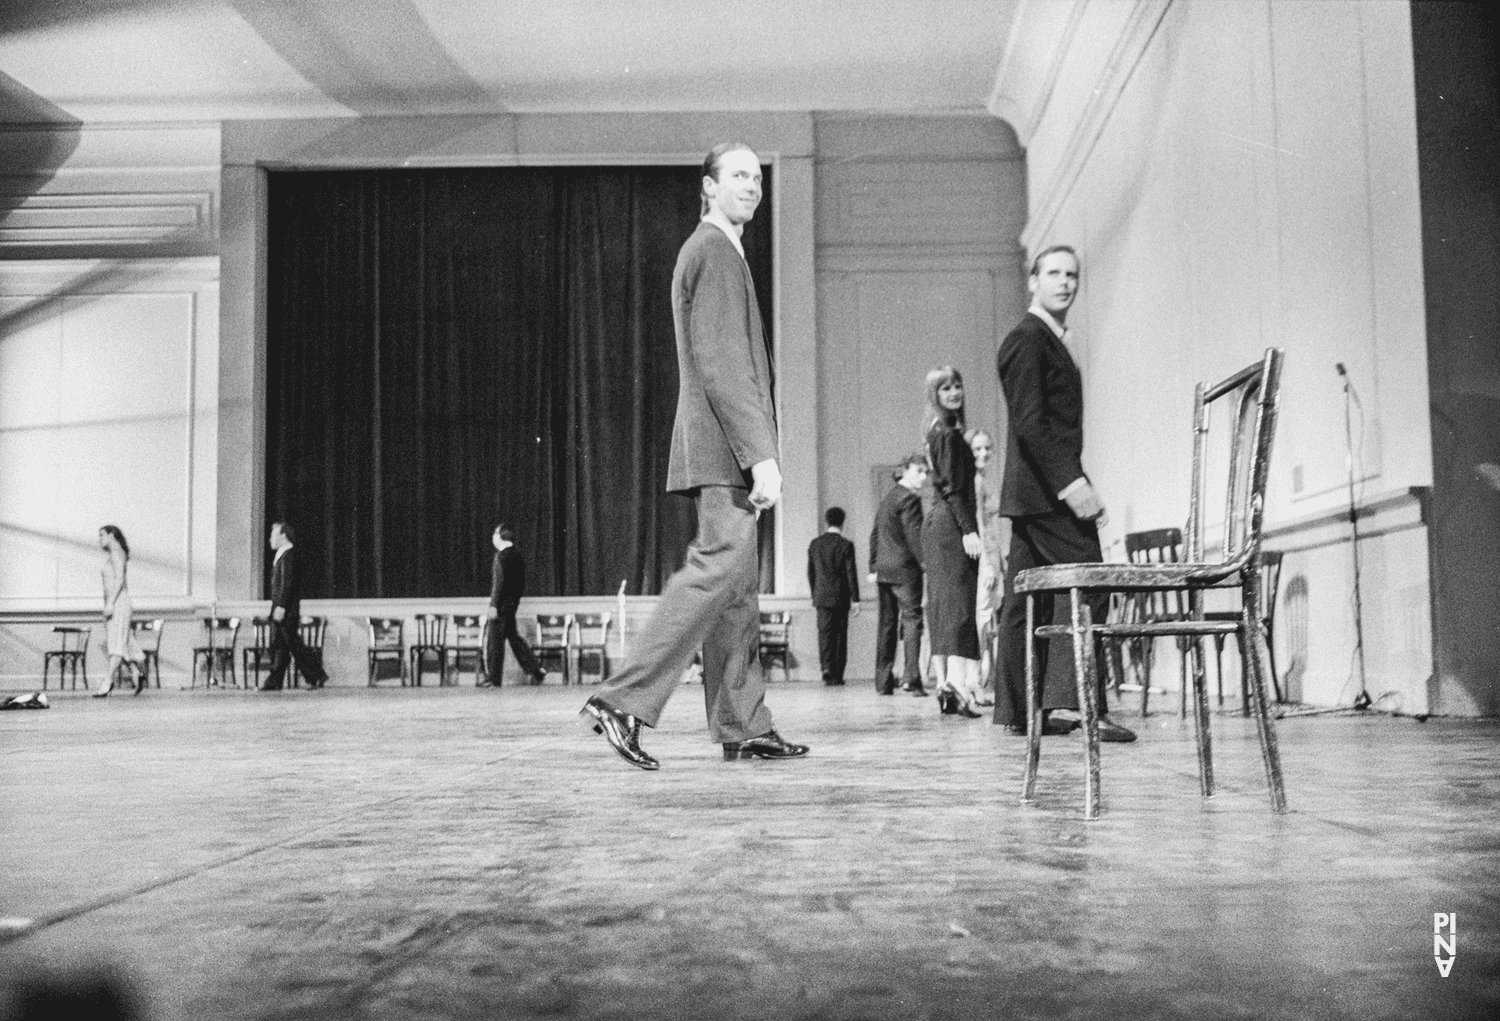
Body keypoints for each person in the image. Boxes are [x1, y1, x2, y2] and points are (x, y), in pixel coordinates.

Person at [580, 142, 809, 770]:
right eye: (738, 175)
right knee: (715, 573)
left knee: (735, 589)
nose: (752, 185)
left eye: (757, 177)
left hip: (722, 446)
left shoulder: (721, 250)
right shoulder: (712, 250)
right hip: (724, 446)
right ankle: (621, 700)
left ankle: (744, 723)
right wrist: (761, 455)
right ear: (708, 186)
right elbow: (724, 363)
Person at [993, 245, 1135, 741]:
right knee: (1091, 583)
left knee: (1023, 603)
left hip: (1033, 494)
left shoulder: (1048, 338)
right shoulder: (1028, 339)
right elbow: (1031, 424)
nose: (1065, 282)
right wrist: (1072, 485)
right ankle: (1081, 708)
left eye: (1072, 274)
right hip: (1047, 493)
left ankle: (1022, 711)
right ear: (1033, 281)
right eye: (1053, 273)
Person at [921, 367, 986, 718]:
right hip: (950, 524)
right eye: (945, 388)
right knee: (959, 606)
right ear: (935, 394)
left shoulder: (941, 430)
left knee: (950, 606)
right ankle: (957, 685)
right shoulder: (946, 434)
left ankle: (950, 684)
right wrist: (968, 530)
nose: (954, 392)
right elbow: (952, 488)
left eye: (957, 385)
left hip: (942, 524)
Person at [869, 453, 927, 696]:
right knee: (912, 621)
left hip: (884, 570)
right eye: (919, 471)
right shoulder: (909, 498)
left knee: (887, 625)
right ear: (904, 470)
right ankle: (911, 678)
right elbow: (914, 534)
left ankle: (883, 682)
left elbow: (875, 534)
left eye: (926, 472)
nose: (923, 477)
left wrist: (873, 567)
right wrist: (925, 563)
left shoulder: (888, 498)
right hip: (905, 570)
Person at [260, 521, 329, 691]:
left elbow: (287, 583)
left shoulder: (288, 555)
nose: (270, 539)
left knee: (294, 645)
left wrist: (281, 606)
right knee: (280, 646)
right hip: (281, 607)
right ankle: (274, 681)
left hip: (286, 609)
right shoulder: (283, 554)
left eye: (273, 535)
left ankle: (317, 675)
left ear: (283, 536)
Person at [483, 523, 546, 686]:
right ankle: (535, 669)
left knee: (494, 642)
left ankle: (493, 679)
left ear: (502, 536)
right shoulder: (518, 556)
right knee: (513, 637)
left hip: (501, 606)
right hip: (512, 605)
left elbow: (498, 583)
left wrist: (494, 605)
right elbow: (520, 584)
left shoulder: (501, 556)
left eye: (495, 533)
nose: (493, 537)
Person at [969, 427, 1004, 705]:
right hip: (984, 558)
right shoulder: (975, 481)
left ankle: (981, 681)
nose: (984, 453)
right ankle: (976, 683)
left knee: (988, 617)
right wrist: (987, 564)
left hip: (993, 553)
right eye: (978, 448)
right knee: (981, 618)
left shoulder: (982, 479)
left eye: (987, 447)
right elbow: (979, 522)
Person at [806, 507, 861, 686]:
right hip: (840, 597)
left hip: (821, 597)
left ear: (826, 521)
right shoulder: (846, 545)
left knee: (824, 634)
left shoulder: (815, 544)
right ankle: (838, 674)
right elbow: (851, 573)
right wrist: (856, 599)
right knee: (840, 636)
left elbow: (811, 573)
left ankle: (826, 668)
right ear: (842, 522)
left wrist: (815, 593)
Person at [95, 525, 145, 697]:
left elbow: (119, 579)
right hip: (114, 601)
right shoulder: (114, 554)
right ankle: (137, 671)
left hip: (118, 602)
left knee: (116, 643)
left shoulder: (117, 553)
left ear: (111, 535)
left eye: (102, 535)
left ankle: (107, 681)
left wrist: (110, 603)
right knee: (124, 641)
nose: (99, 539)